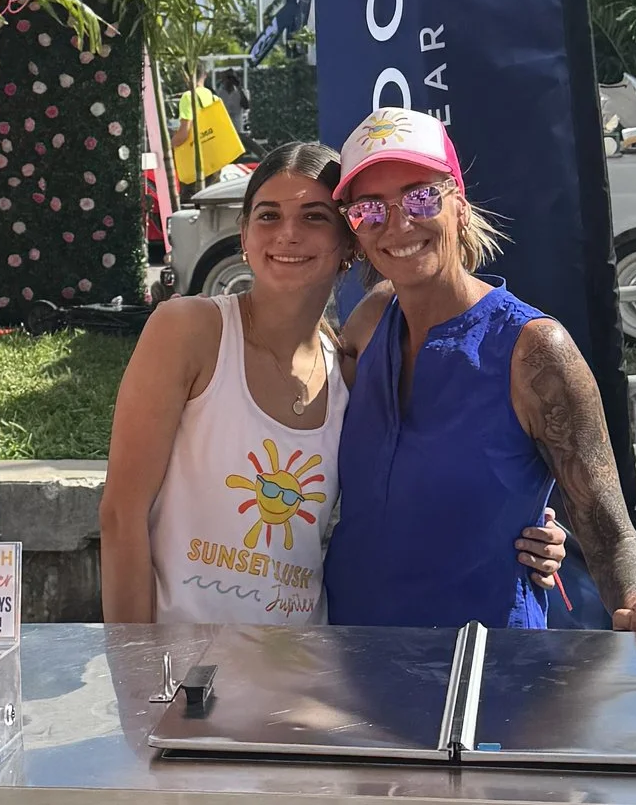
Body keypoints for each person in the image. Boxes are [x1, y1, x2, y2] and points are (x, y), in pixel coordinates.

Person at [102, 140, 565, 628]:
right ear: (244, 236)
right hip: (183, 664)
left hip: (306, 664)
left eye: (314, 217)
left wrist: (526, 527)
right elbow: (120, 516)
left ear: (349, 245)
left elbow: (421, 478)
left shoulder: (348, 364)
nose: (288, 234)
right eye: (268, 216)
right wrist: (134, 661)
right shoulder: (188, 330)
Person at [322, 112, 636, 643]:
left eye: (421, 197)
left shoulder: (535, 349)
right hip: (352, 652)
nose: (398, 223)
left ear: (459, 205)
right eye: (370, 209)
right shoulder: (369, 321)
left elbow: (608, 527)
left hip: (487, 664)